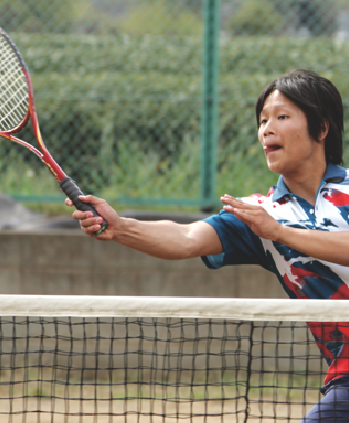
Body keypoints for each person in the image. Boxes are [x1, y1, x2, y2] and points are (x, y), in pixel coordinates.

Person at [66, 69, 349, 422]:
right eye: (262, 120)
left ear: (321, 128)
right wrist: (121, 227)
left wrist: (280, 233)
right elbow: (186, 238)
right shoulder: (258, 214)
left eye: (282, 116)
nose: (266, 129)